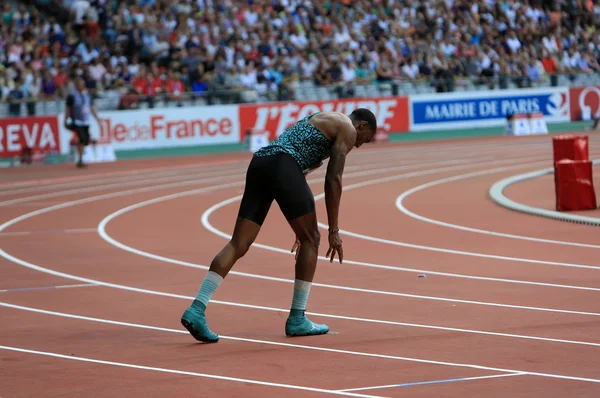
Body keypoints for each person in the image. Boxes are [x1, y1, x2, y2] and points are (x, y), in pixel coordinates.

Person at [181, 109, 378, 343]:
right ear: (362, 126)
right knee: (312, 240)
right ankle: (297, 318)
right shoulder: (346, 127)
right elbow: (333, 178)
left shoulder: (323, 117)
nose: (358, 146)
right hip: (283, 166)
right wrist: (333, 230)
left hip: (261, 163)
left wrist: (299, 226)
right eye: (364, 141)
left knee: (239, 243)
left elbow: (297, 162)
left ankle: (197, 308)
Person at [64, 77, 100, 168]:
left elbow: (91, 108)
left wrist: (98, 119)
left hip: (86, 121)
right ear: (77, 86)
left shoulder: (87, 96)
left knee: (86, 141)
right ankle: (80, 159)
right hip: (77, 121)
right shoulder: (72, 96)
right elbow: (68, 109)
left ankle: (79, 152)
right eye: (80, 84)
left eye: (83, 84)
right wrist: (65, 120)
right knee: (82, 139)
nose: (82, 86)